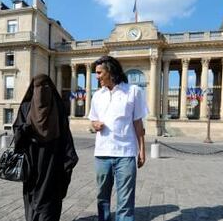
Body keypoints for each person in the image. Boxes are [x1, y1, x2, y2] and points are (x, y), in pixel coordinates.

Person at [88, 55, 148, 221]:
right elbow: (93, 118)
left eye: (99, 72)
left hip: (126, 153)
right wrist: (95, 124)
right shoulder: (97, 95)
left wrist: (142, 150)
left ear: (110, 71)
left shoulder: (133, 91)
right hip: (102, 154)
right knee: (102, 197)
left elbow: (138, 124)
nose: (97, 76)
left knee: (126, 200)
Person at [13, 74, 79, 221]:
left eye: (46, 86)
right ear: (33, 89)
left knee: (50, 199)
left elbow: (65, 136)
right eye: (38, 87)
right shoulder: (26, 108)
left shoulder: (57, 108)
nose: (42, 90)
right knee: (39, 196)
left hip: (53, 164)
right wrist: (24, 130)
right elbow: (18, 131)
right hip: (33, 165)